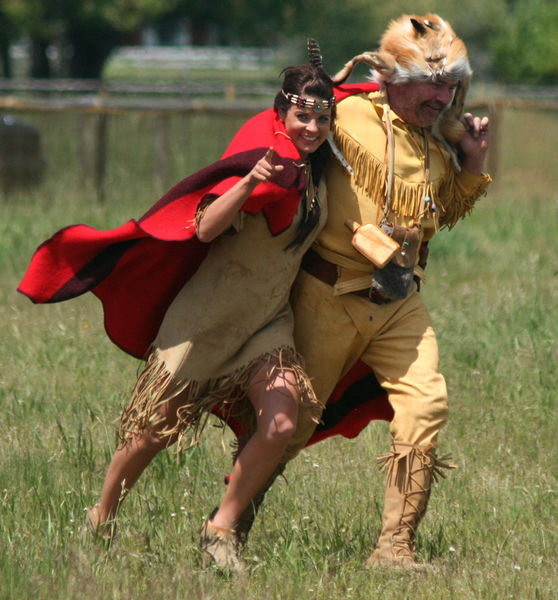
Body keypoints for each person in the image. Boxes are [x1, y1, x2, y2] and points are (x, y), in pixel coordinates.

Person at [18, 62, 336, 572]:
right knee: (152, 433)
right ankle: (101, 518)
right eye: (303, 116)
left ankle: (220, 531)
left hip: (266, 323)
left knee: (279, 423)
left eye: (323, 119)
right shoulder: (260, 161)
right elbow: (207, 229)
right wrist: (250, 181)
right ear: (281, 112)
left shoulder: (319, 174)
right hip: (204, 324)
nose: (313, 128)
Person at [283, 13, 491, 570]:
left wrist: (471, 161)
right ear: (395, 77)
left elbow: (445, 210)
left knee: (427, 405)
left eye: (451, 86)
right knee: (289, 421)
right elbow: (289, 139)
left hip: (399, 302)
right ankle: (231, 523)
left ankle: (394, 548)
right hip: (327, 295)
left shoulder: (434, 147)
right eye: (433, 83)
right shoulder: (347, 115)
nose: (443, 96)